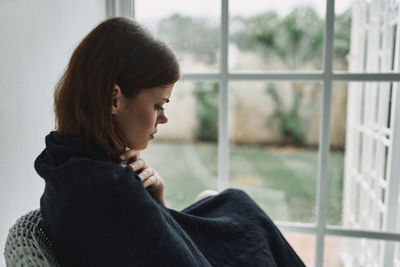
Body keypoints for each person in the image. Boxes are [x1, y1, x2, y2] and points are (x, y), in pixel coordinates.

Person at [34, 17, 305, 266]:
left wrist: (155, 205)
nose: (163, 118)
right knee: (242, 213)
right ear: (114, 98)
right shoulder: (114, 190)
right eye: (158, 105)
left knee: (229, 202)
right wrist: (145, 205)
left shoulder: (62, 161)